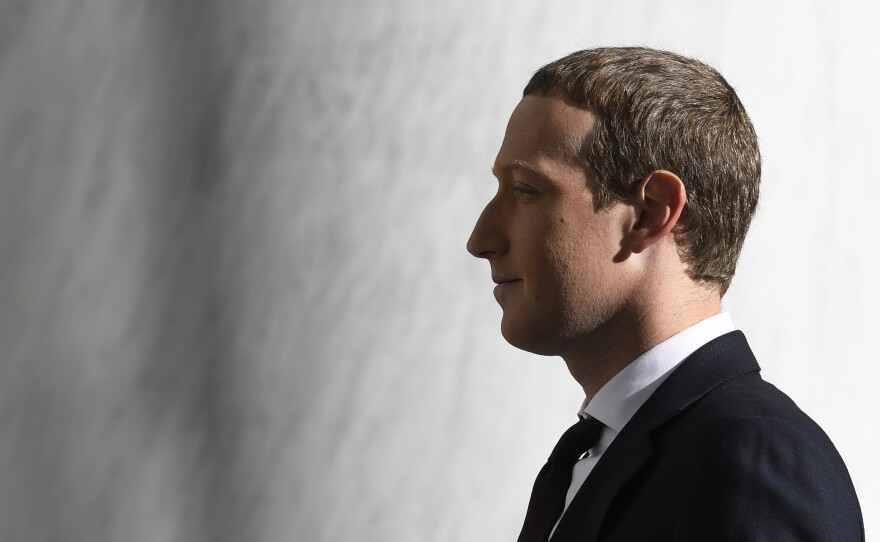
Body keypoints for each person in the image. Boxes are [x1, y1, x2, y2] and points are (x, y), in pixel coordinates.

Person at [466, 47, 864, 541]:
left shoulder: (755, 458)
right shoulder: (602, 452)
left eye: (526, 190)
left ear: (651, 213)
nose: (480, 239)